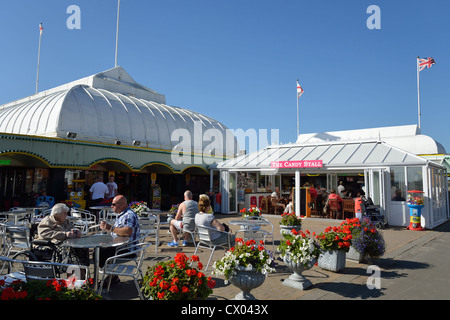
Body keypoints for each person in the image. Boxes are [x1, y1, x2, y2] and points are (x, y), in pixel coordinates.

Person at [99, 195, 140, 283]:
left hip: (128, 250)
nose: (111, 206)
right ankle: (112, 276)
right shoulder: (123, 214)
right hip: (121, 246)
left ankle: (112, 277)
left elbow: (128, 231)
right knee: (100, 250)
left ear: (121, 204)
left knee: (100, 253)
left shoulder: (129, 215)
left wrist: (111, 228)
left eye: (113, 204)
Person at [36, 203, 90, 269]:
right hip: (52, 245)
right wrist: (64, 234)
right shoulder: (47, 220)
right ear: (56, 214)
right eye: (64, 213)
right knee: (72, 251)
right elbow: (43, 234)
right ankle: (73, 272)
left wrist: (77, 231)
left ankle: (83, 271)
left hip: (67, 243)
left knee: (83, 248)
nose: (66, 215)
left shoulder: (65, 221)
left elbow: (72, 227)